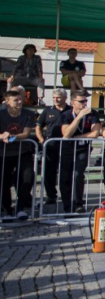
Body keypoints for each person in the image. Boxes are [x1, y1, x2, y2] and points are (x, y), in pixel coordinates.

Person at [60, 90, 100, 213]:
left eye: (86, 101)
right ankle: (67, 203)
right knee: (65, 176)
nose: (84, 103)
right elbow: (66, 133)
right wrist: (79, 117)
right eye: (81, 101)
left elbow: (95, 133)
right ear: (73, 102)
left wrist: (77, 137)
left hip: (83, 148)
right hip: (67, 148)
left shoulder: (93, 114)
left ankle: (78, 203)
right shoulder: (66, 115)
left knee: (78, 174)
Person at [1, 89, 36, 220]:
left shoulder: (28, 114)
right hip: (3, 153)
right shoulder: (1, 114)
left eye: (21, 99)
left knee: (27, 177)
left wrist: (12, 136)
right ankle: (8, 209)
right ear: (8, 102)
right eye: (16, 100)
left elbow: (26, 133)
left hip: (23, 151)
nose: (20, 102)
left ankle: (20, 207)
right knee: (4, 182)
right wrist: (2, 136)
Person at [36, 88, 69, 209]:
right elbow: (38, 126)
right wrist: (41, 140)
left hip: (67, 145)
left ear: (65, 98)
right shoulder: (47, 111)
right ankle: (51, 195)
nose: (56, 99)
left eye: (58, 97)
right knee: (49, 172)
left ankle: (66, 195)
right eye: (54, 97)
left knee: (66, 172)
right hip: (50, 145)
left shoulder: (70, 110)